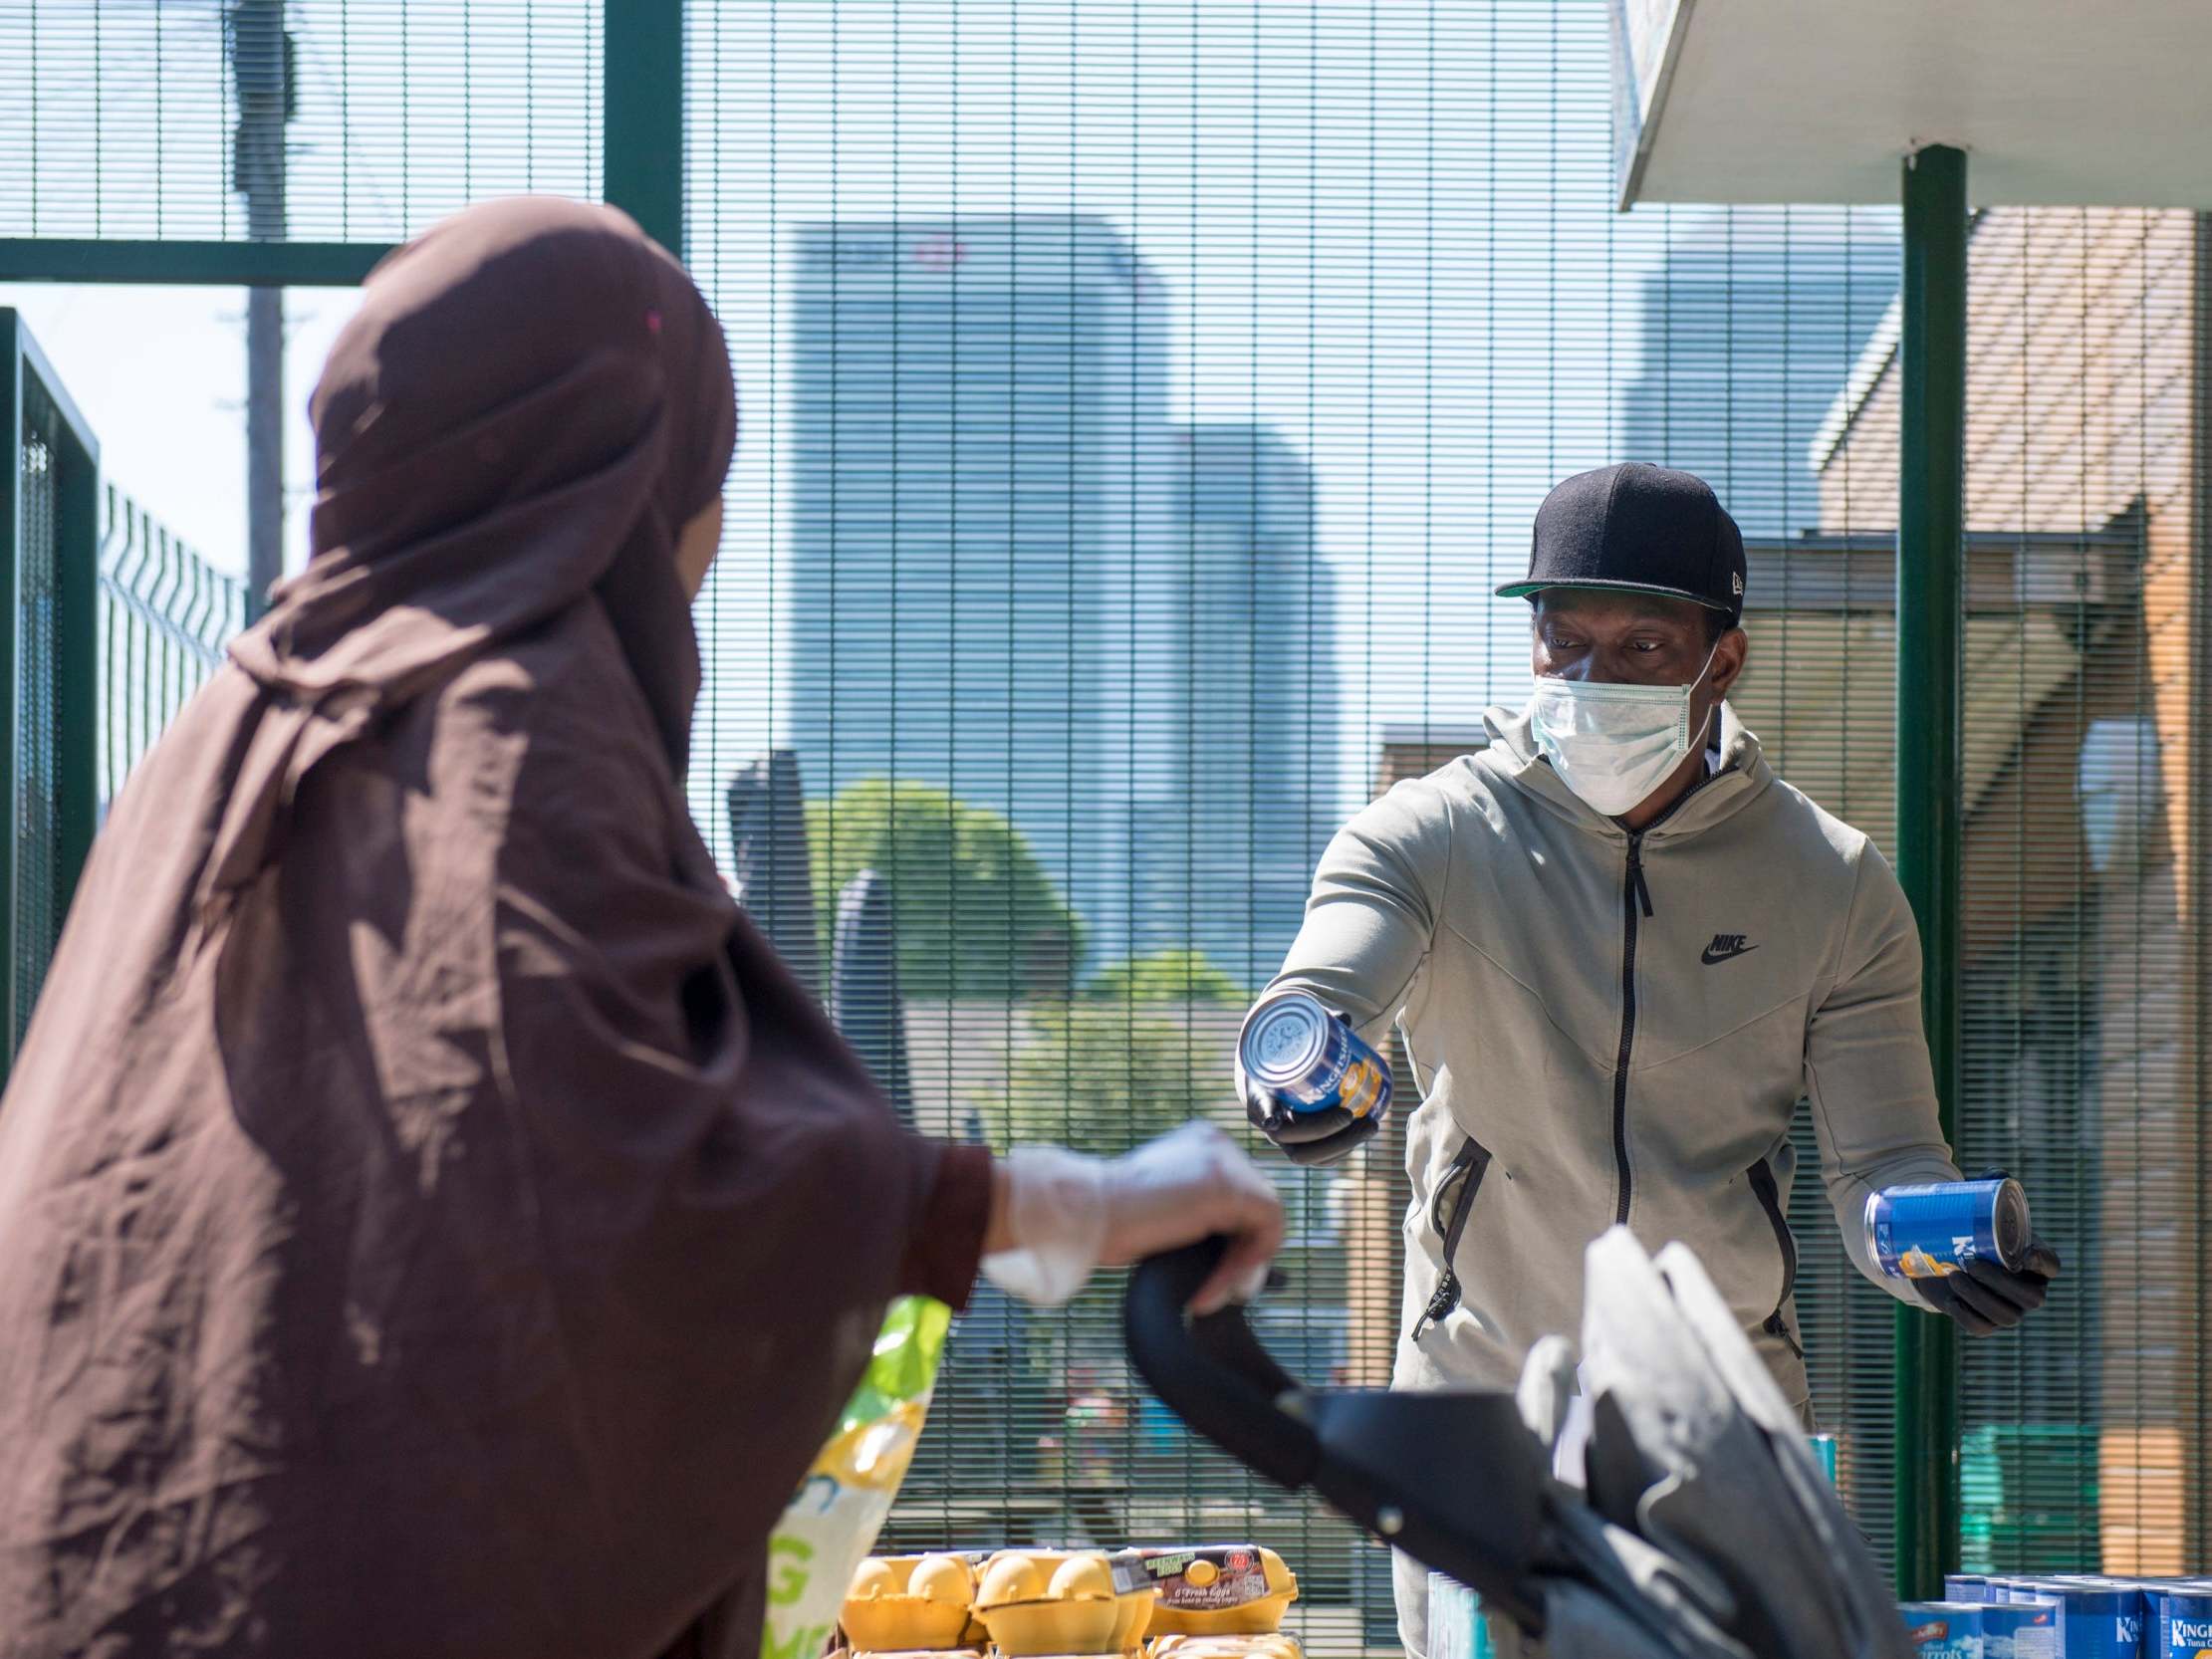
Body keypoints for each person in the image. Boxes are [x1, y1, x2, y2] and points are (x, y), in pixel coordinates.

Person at [0, 198, 1282, 1659]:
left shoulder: (228, 732)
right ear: (631, 489)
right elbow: (624, 1173)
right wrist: (1077, 1206)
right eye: (701, 477)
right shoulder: (512, 721)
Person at [1239, 462, 2061, 1659]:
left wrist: (1937, 1252)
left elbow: (1881, 1164)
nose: (1589, 681)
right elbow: (1321, 986)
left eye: (1639, 647)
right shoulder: (1430, 833)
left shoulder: (1833, 883)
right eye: (1562, 641)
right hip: (1482, 1412)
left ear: (1721, 661)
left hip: (1726, 1429)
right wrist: (1299, 1061)